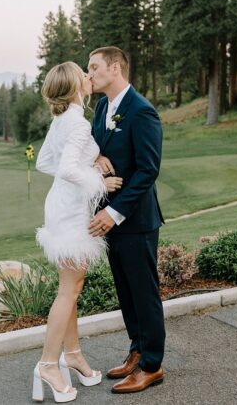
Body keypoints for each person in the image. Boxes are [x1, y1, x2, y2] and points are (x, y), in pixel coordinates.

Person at [33, 61, 123, 403]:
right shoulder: (79, 124)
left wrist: (89, 163)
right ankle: (47, 364)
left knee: (72, 286)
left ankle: (72, 356)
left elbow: (46, 163)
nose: (89, 77)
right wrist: (98, 180)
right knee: (69, 290)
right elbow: (68, 167)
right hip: (70, 214)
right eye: (83, 75)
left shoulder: (63, 120)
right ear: (74, 88)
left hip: (61, 208)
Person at [88, 46, 165, 394]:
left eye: (94, 67)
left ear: (115, 68)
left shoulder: (142, 111)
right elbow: (94, 145)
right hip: (109, 220)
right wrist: (98, 154)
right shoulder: (103, 107)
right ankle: (136, 350)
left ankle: (152, 365)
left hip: (134, 220)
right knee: (126, 292)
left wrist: (113, 213)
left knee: (144, 294)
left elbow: (148, 170)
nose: (89, 75)